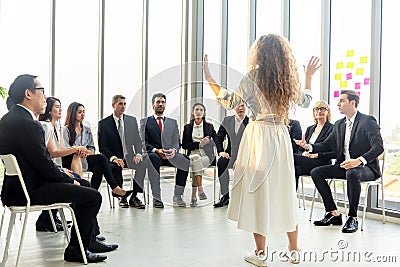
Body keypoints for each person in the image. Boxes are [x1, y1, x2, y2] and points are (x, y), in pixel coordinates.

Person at [204, 34, 321, 266]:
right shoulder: (287, 78)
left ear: (259, 52)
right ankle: (294, 250)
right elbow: (306, 102)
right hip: (280, 136)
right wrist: (308, 76)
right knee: (285, 191)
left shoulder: (253, 76)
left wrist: (209, 78)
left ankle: (260, 255)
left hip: (258, 136)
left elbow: (229, 101)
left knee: (258, 192)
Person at [0, 74, 106, 263]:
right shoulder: (28, 124)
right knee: (92, 196)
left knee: (83, 183)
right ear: (28, 93)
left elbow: (38, 162)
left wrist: (65, 175)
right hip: (31, 190)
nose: (45, 97)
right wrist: (68, 179)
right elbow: (44, 166)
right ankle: (76, 249)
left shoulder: (9, 119)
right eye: (42, 91)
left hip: (17, 188)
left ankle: (88, 241)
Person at [295, 90, 384, 233]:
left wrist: (359, 161)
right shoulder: (339, 124)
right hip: (344, 166)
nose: (338, 104)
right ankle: (333, 213)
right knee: (316, 172)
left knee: (352, 173)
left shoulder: (367, 121)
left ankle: (353, 217)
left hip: (366, 168)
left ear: (352, 103)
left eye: (342, 101)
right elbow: (327, 144)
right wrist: (309, 146)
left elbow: (378, 147)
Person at [36, 97, 86, 232]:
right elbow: (53, 153)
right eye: (57, 107)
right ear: (49, 110)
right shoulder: (45, 126)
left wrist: (74, 152)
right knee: (77, 181)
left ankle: (48, 219)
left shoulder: (56, 127)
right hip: (49, 170)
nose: (60, 109)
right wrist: (76, 148)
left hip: (55, 167)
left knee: (74, 174)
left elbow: (62, 151)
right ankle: (81, 226)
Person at [62, 102, 131, 200]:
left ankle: (92, 194)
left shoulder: (87, 129)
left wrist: (87, 152)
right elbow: (65, 148)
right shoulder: (66, 130)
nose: (82, 115)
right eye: (80, 112)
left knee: (99, 168)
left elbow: (92, 148)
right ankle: (114, 188)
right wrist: (77, 151)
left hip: (85, 158)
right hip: (72, 160)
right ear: (73, 113)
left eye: (84, 112)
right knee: (101, 159)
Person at [98, 95, 149, 209]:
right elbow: (103, 147)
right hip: (114, 158)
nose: (123, 106)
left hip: (130, 156)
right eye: (120, 104)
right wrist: (114, 158)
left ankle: (134, 196)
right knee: (115, 166)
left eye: (125, 104)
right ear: (113, 105)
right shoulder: (104, 124)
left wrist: (138, 154)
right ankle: (121, 196)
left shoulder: (131, 120)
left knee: (143, 164)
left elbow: (137, 140)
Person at [140, 93, 190, 207]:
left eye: (163, 102)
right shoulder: (145, 122)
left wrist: (174, 150)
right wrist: (156, 150)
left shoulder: (172, 122)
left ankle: (177, 196)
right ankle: (157, 197)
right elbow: (143, 142)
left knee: (185, 159)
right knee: (153, 159)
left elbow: (177, 141)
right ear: (153, 105)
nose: (160, 104)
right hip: (154, 154)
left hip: (170, 155)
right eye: (158, 102)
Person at [213, 104, 249, 208]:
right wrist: (220, 152)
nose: (240, 108)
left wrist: (242, 157)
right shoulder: (227, 120)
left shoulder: (251, 122)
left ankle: (244, 197)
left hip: (245, 154)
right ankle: (225, 196)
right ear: (233, 107)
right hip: (230, 154)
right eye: (238, 106)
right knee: (221, 162)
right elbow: (218, 138)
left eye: (243, 105)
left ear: (246, 107)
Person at [293, 100, 334, 190]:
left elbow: (329, 148)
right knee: (294, 169)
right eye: (316, 109)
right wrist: (303, 154)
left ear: (328, 112)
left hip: (321, 162)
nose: (319, 111)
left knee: (291, 157)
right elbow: (301, 148)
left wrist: (313, 155)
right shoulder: (310, 129)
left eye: (322, 109)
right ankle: (292, 201)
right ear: (313, 112)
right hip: (306, 161)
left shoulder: (332, 128)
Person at [182, 103, 216, 207]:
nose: (199, 112)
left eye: (201, 110)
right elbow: (184, 144)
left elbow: (216, 141)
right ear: (193, 112)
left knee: (196, 164)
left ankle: (194, 196)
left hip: (206, 155)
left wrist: (208, 141)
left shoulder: (209, 127)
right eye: (196, 109)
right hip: (193, 153)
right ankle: (200, 191)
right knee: (196, 159)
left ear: (204, 113)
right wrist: (198, 144)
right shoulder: (187, 127)